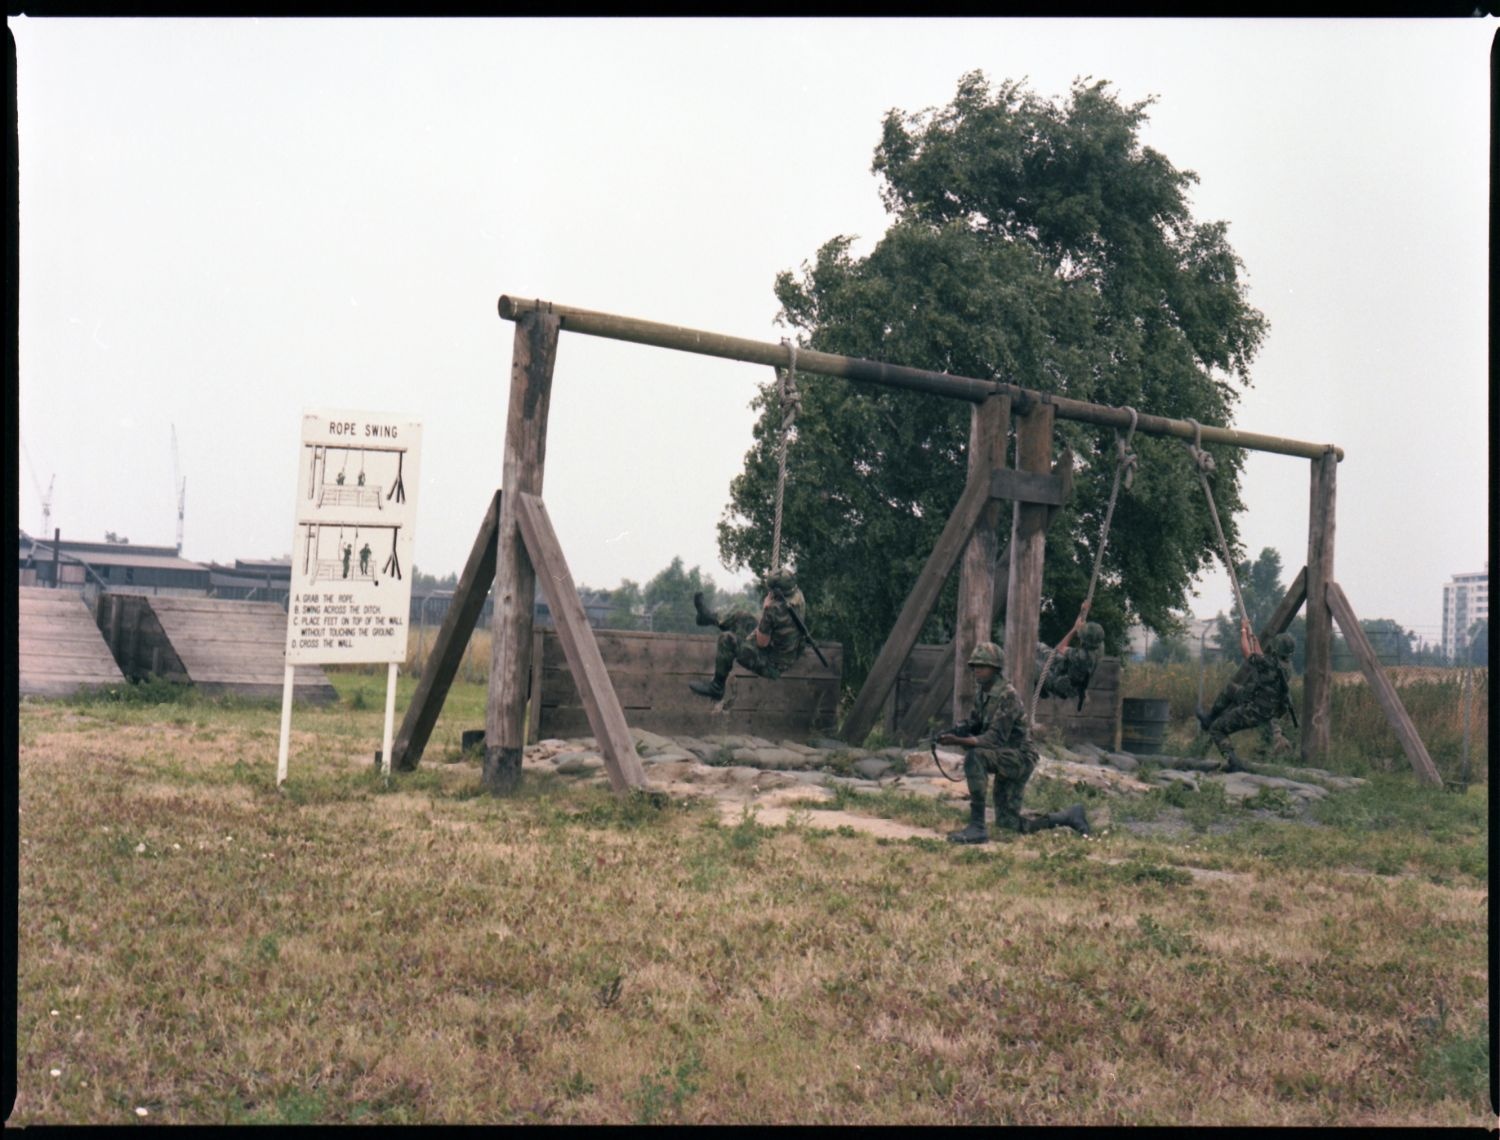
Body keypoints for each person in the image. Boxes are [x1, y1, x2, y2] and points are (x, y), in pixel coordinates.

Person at [940, 642, 1090, 844]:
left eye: (982, 666)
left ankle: (977, 827)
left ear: (995, 669)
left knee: (975, 757)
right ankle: (1066, 817)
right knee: (1008, 823)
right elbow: (977, 723)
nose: (977, 671)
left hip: (1019, 757)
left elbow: (994, 739)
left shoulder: (1007, 695)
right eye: (975, 666)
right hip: (1005, 756)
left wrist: (958, 740)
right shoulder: (983, 693)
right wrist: (960, 729)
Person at [688, 566, 808, 700]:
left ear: (777, 592)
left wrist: (766, 608)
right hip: (784, 653)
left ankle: (717, 688)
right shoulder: (798, 596)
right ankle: (708, 617)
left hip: (771, 664)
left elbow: (762, 643)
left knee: (727, 639)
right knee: (743, 617)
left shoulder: (774, 610)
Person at [1198, 622, 1296, 773]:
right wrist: (1255, 642)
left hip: (1254, 709)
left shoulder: (1270, 664)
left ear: (1277, 647)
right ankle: (1209, 717)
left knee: (1217, 729)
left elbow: (1246, 653)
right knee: (1231, 689)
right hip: (1265, 708)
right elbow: (1261, 659)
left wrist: (1243, 630)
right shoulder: (1286, 667)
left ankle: (1233, 762)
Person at [1036, 606, 1105, 707]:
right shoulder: (1098, 646)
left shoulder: (1082, 657)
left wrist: (1074, 629)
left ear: (1085, 641)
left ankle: (1042, 688)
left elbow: (1059, 648)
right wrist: (1083, 611)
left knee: (1034, 666)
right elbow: (1084, 630)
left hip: (1062, 684)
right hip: (1066, 667)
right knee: (1040, 647)